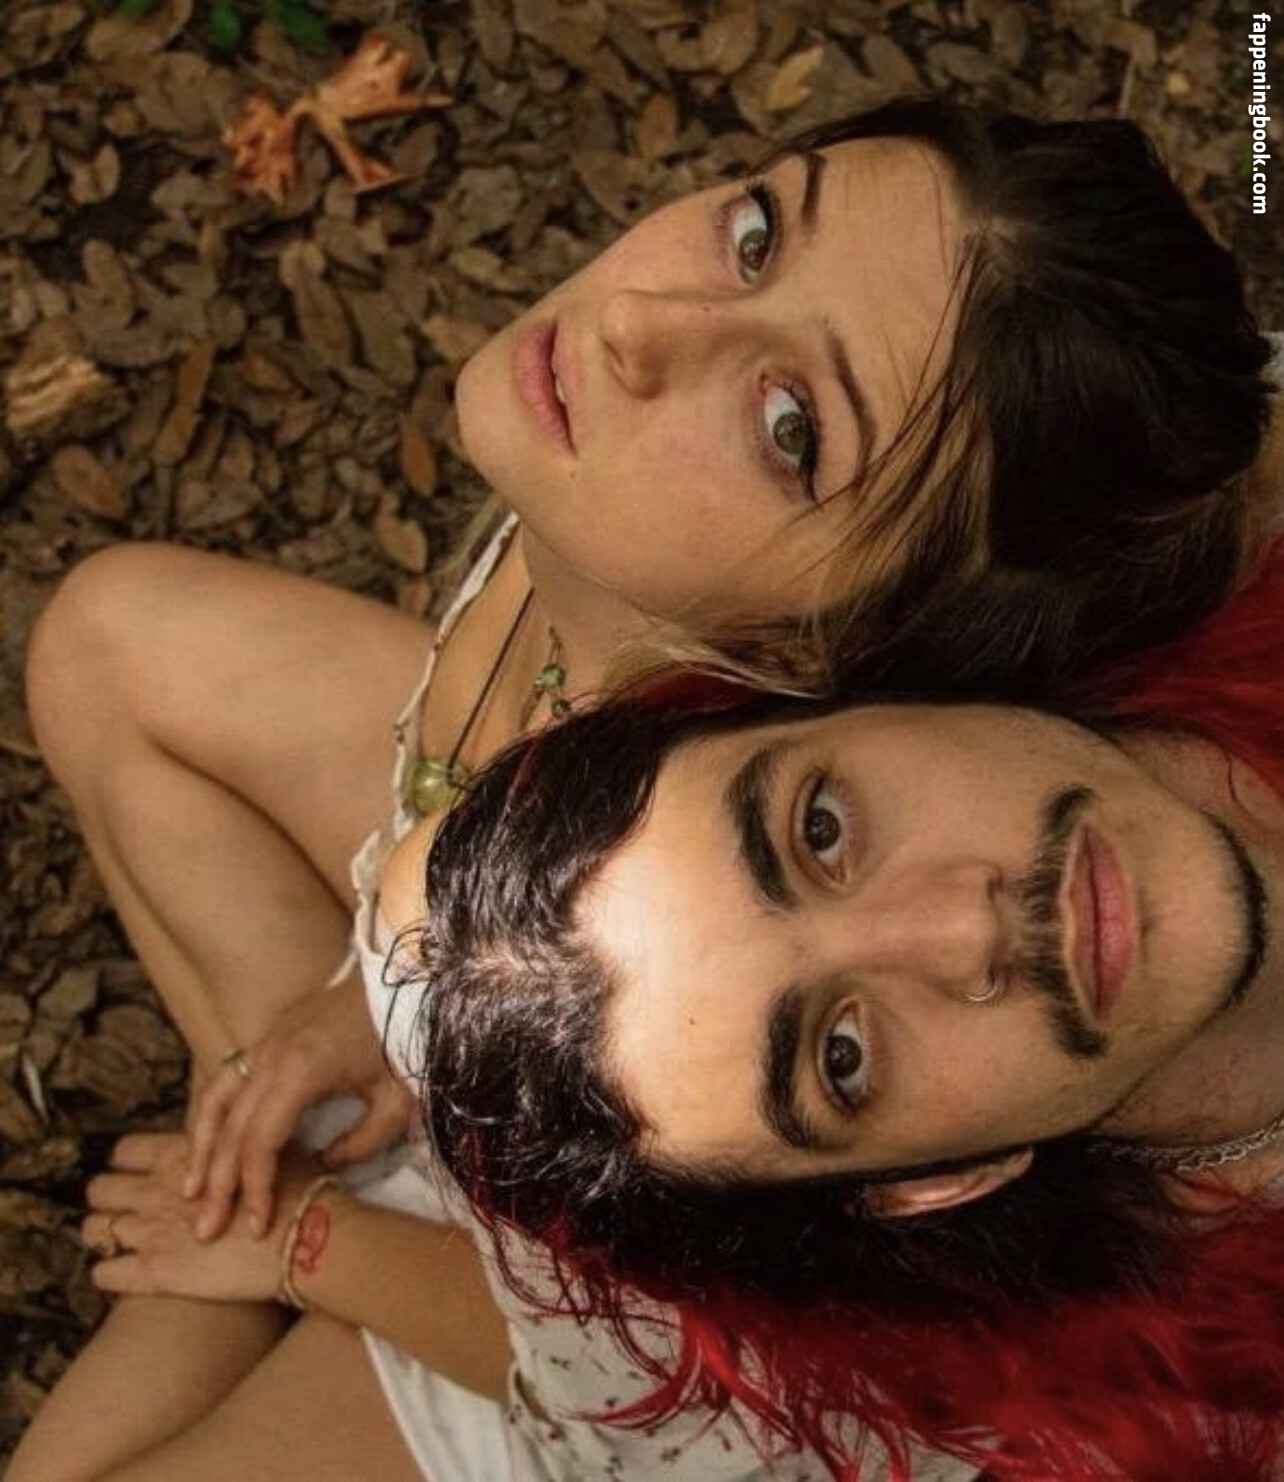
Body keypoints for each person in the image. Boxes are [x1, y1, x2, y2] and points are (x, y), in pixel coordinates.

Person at [11, 95, 1278, 1482]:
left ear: (829, 662)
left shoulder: (832, 1230)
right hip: (532, 1047)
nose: (636, 322)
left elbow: (648, 1396)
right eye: (757, 232)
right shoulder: (635, 573)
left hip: (560, 1332)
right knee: (105, 643)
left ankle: (257, 1186)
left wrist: (304, 1241)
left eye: (791, 426)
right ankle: (273, 1137)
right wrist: (367, 1013)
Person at [375, 540, 1284, 1482]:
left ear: (833, 691)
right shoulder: (1221, 1405)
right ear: (934, 1182)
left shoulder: (1199, 516)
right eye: (842, 1055)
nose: (963, 928)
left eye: (821, 829)